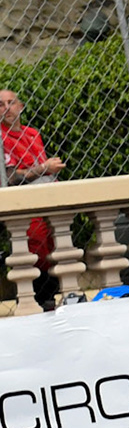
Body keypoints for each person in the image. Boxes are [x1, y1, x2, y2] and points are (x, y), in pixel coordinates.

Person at [0, 90, 63, 309]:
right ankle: (33, 301)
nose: (6, 108)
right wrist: (44, 168)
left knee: (55, 246)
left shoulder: (33, 134)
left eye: (11, 103)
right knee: (35, 246)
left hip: (46, 196)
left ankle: (50, 299)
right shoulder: (1, 136)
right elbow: (10, 176)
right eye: (1, 105)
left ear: (21, 107)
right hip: (23, 202)